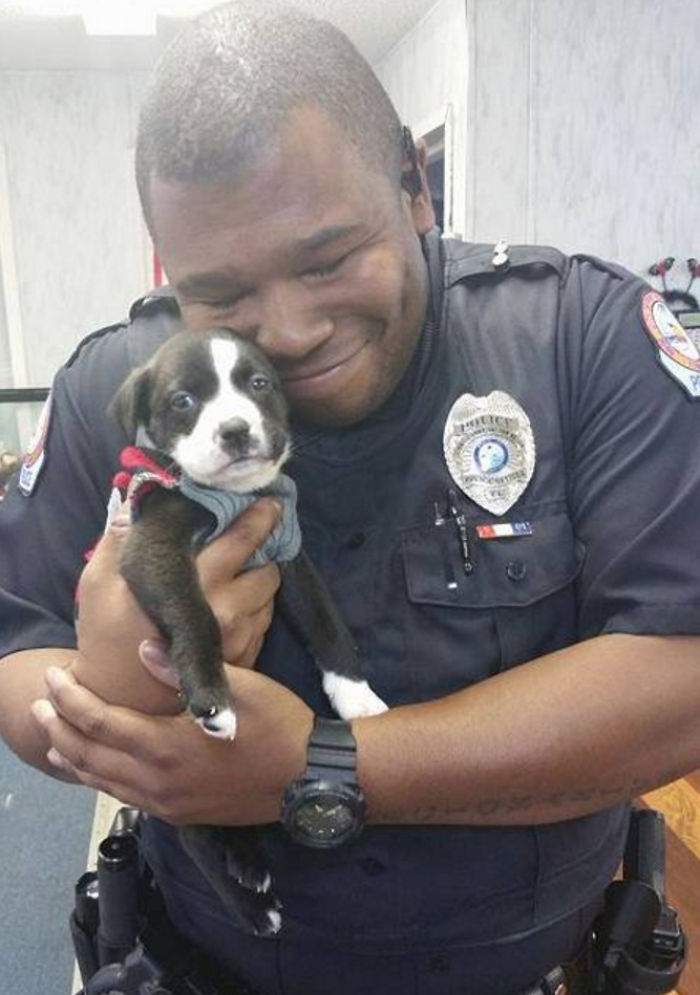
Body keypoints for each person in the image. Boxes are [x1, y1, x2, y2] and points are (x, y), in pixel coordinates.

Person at [0, 3, 699, 993]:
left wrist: (322, 765)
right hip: (198, 961)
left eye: (327, 257)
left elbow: (681, 680)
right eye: (221, 292)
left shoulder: (582, 343)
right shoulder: (123, 383)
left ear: (414, 183)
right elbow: (19, 651)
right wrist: (111, 689)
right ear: (167, 267)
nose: (282, 331)